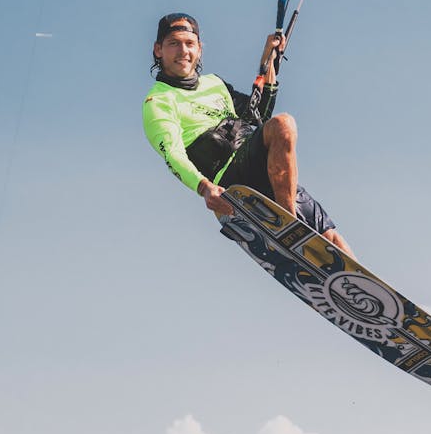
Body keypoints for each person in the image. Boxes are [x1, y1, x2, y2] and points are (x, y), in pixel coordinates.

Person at [142, 13, 352, 254]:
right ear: (158, 50)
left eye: (189, 44)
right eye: (173, 43)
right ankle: (288, 227)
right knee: (284, 124)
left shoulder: (214, 83)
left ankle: (362, 289)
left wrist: (269, 62)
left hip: (265, 170)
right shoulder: (158, 101)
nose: (183, 51)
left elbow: (257, 114)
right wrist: (204, 187)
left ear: (199, 49)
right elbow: (173, 154)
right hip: (231, 186)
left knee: (331, 239)